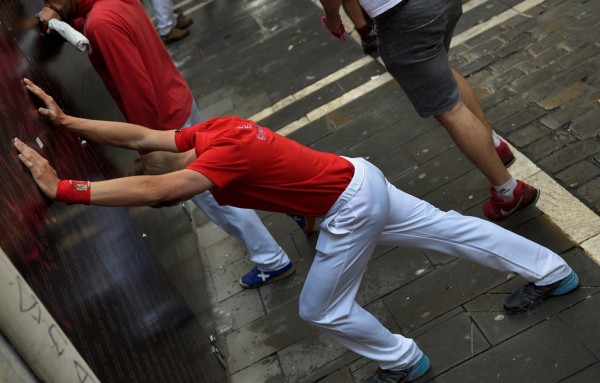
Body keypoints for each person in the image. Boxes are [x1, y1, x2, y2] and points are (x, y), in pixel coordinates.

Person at [17, 79, 580, 383]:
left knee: (320, 309)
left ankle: (404, 362)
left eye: (192, 189)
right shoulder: (211, 132)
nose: (192, 194)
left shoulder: (212, 161)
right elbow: (141, 137)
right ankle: (553, 272)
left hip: (349, 206)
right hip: (360, 176)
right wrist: (67, 123)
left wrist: (61, 189)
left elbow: (155, 188)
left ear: (186, 172)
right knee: (452, 230)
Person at [37, 0, 296, 289]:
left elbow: (137, 91)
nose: (48, 5)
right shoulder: (105, 10)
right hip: (178, 101)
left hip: (165, 125)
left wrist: (152, 151)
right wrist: (62, 19)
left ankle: (271, 260)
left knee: (216, 198)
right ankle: (296, 208)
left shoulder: (100, 25)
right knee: (230, 180)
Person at [320, 0, 535, 222]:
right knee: (440, 67)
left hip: (406, 18)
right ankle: (493, 144)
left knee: (450, 109)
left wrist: (333, 20)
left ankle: (508, 191)